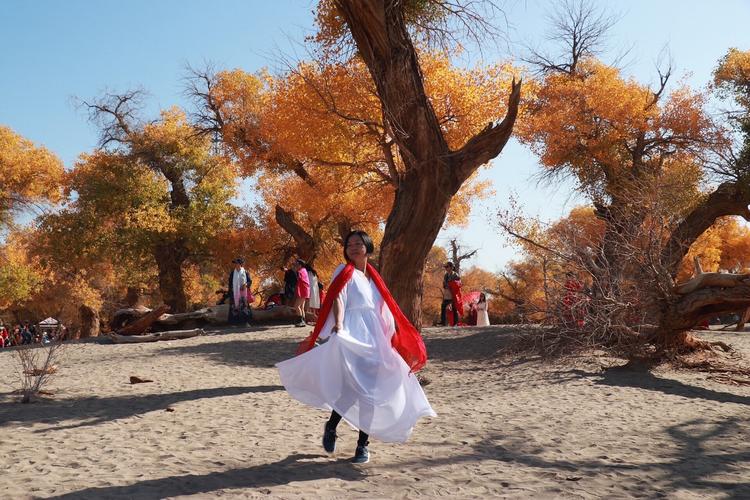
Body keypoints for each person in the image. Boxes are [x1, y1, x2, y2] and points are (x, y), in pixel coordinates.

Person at [276, 230, 436, 464]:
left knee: (369, 392)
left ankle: (362, 445)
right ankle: (332, 427)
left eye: (358, 243)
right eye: (349, 244)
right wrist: (339, 324)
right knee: (352, 389)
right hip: (352, 332)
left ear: (367, 247)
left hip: (375, 337)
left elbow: (382, 308)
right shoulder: (344, 271)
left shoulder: (373, 276)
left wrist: (390, 336)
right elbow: (338, 297)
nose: (352, 247)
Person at [227, 258, 252, 325]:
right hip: (234, 293)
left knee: (244, 307)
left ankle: (246, 322)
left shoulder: (245, 272)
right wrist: (230, 292)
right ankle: (234, 324)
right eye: (235, 263)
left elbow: (250, 281)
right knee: (234, 307)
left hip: (243, 292)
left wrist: (245, 285)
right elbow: (230, 283)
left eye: (237, 263)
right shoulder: (232, 273)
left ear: (240, 264)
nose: (236, 264)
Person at [440, 262, 461, 326]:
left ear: (451, 267)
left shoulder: (456, 275)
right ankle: (443, 322)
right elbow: (444, 283)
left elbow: (459, 283)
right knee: (443, 306)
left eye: (447, 267)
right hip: (447, 293)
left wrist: (451, 285)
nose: (446, 268)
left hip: (453, 293)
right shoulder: (446, 275)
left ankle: (455, 323)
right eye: (445, 267)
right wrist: (445, 285)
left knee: (454, 308)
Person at [293, 259, 310, 327]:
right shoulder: (304, 270)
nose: (295, 266)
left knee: (296, 306)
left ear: (300, 265)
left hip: (303, 291)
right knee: (301, 307)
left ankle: (301, 321)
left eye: (296, 264)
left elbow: (299, 276)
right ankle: (303, 320)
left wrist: (294, 271)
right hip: (305, 290)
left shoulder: (301, 271)